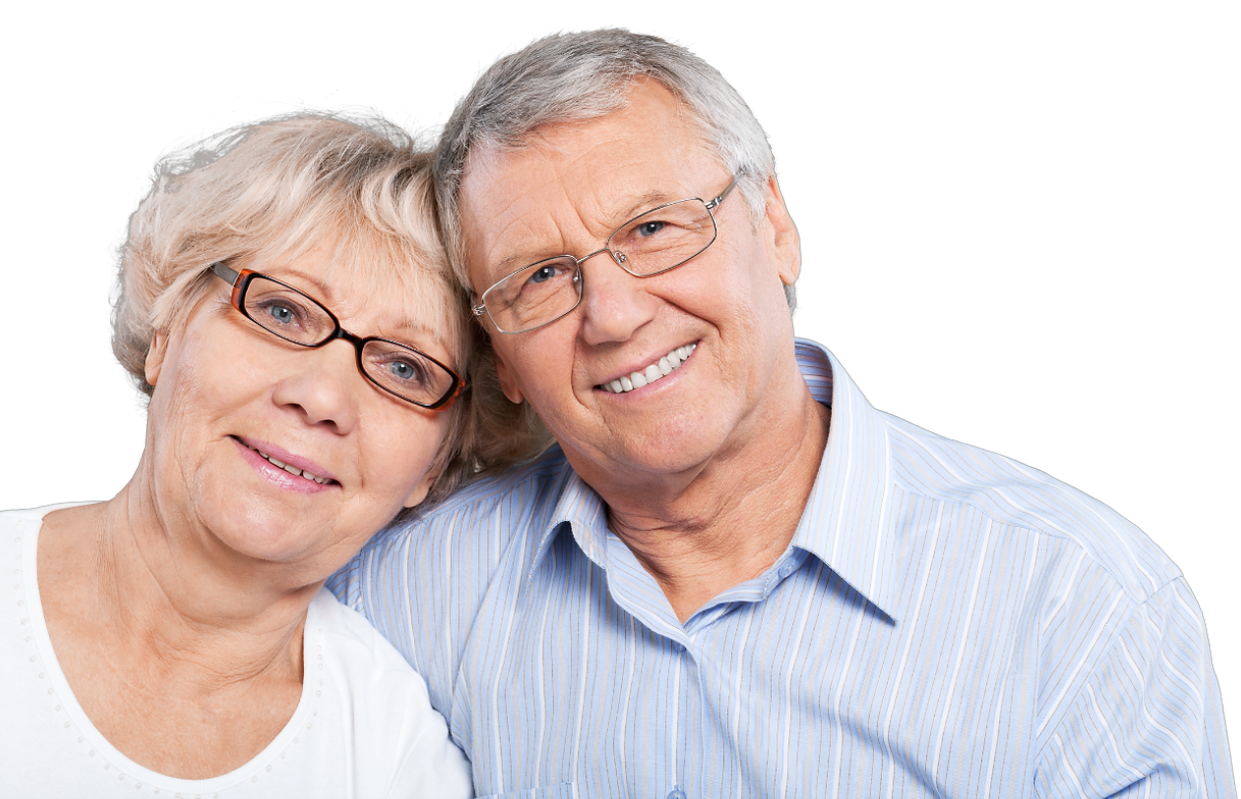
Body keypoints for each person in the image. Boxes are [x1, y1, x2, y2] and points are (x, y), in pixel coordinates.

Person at [329, 30, 1234, 798]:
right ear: (500, 358)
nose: (613, 314)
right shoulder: (400, 596)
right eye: (540, 277)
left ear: (775, 228)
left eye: (653, 228)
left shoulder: (1079, 601)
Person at [0, 116, 484, 797]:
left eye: (406, 368)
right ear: (166, 329)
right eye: (284, 311)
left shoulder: (392, 755)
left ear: (434, 465)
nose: (321, 397)